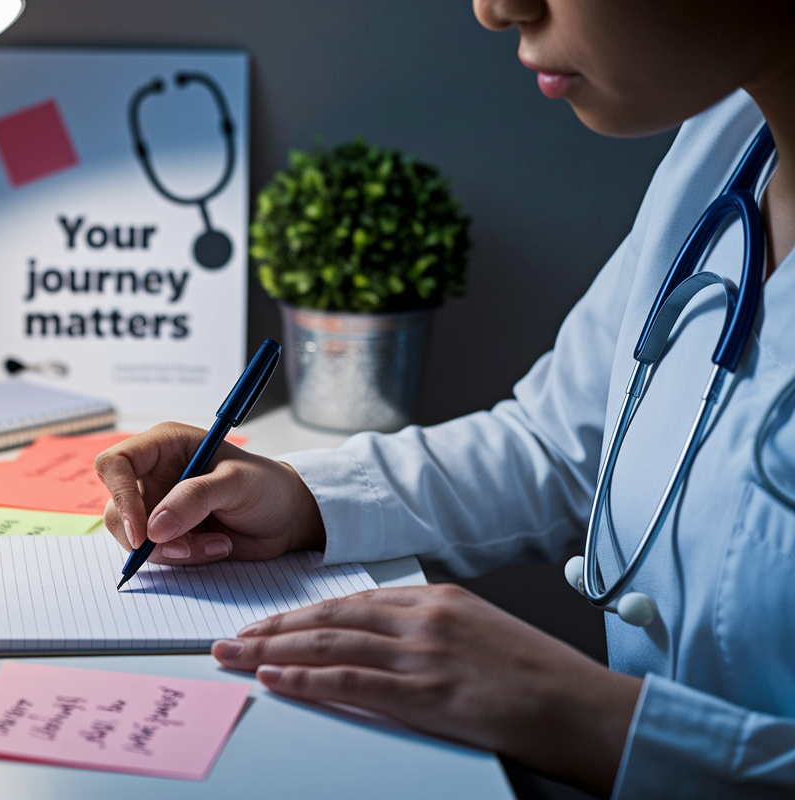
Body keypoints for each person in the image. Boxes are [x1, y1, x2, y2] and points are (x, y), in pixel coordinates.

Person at [93, 1, 795, 797]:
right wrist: (300, 499)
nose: (496, 9)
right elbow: (563, 442)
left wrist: (593, 719)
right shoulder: (725, 148)